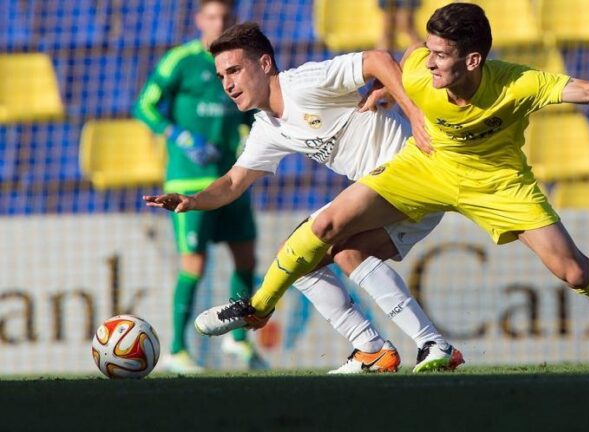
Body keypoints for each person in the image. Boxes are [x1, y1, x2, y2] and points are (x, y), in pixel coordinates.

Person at [193, 2, 589, 368]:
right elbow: (396, 61)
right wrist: (391, 95)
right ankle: (259, 306)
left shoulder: (517, 83)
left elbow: (588, 90)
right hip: (425, 168)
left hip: (498, 184)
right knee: (326, 228)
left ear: (472, 61)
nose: (429, 60)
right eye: (430, 50)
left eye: (440, 54)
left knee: (572, 271)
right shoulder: (420, 71)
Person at [144, 22, 464, 373]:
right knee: (311, 260)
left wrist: (414, 114)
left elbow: (377, 59)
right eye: (221, 76)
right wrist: (194, 200)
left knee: (311, 238)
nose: (227, 84)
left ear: (265, 64)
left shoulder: (304, 83)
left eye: (234, 70)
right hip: (384, 195)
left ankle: (424, 344)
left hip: (412, 171)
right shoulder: (267, 128)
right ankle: (379, 349)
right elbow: (233, 182)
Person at [133, 0, 266, 373]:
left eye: (225, 17)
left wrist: (247, 138)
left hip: (231, 179)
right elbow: (145, 106)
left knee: (246, 258)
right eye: (212, 16)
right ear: (199, 20)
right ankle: (177, 349)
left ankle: (238, 338)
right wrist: (180, 136)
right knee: (194, 262)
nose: (218, 23)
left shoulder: (240, 63)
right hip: (189, 178)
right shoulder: (181, 61)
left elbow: (253, 113)